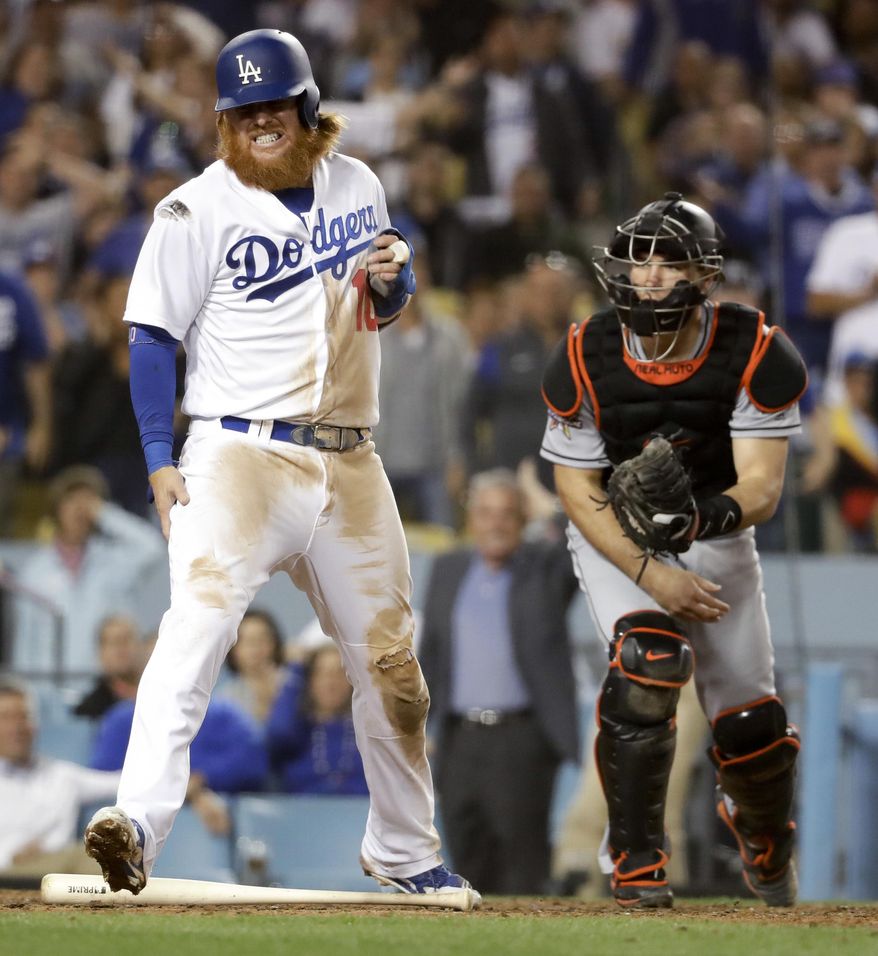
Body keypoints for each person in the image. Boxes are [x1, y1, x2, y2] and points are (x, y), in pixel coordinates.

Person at [83, 29, 478, 904]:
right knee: (200, 621)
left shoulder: (360, 185)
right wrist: (157, 457)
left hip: (350, 456)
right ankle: (135, 824)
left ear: (307, 109)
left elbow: (384, 302)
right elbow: (151, 340)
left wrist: (396, 281)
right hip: (237, 452)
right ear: (224, 121)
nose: (261, 122)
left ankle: (407, 851)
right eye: (244, 110)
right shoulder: (193, 209)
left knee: (391, 665)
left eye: (275, 106)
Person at [540, 192, 807, 908]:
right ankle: (633, 862)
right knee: (648, 659)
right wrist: (652, 570)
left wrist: (699, 520)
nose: (649, 275)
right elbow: (575, 488)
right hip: (616, 536)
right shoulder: (583, 354)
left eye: (669, 261)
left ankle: (762, 837)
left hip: (716, 533)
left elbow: (763, 487)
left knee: (751, 729)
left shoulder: (754, 348)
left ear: (704, 276)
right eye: (638, 258)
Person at [417, 468, 580, 894]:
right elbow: (432, 652)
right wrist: (417, 727)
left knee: (523, 867)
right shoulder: (447, 568)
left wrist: (549, 507)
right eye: (486, 513)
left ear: (522, 519)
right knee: (468, 859)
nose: (496, 524)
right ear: (470, 518)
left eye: (508, 514)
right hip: (457, 740)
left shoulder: (543, 568)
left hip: (522, 740)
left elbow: (580, 549)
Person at [12, 465, 166, 677]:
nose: (80, 509)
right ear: (57, 507)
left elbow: (153, 547)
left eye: (88, 501)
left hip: (107, 684)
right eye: (71, 500)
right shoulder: (35, 570)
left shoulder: (115, 559)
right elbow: (25, 639)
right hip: (53, 687)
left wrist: (104, 513)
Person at [0, 676, 120, 879]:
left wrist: (180, 781)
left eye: (24, 716)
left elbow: (118, 783)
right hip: (9, 872)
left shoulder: (61, 776)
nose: (17, 727)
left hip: (56, 869)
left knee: (97, 853)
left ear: (35, 724)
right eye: (5, 717)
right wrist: (9, 857)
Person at [266, 642, 369, 795]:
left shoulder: (369, 732)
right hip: (300, 816)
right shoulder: (298, 731)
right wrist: (295, 671)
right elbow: (278, 734)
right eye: (322, 674)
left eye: (340, 673)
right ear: (309, 681)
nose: (331, 682)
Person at [217, 609, 286, 725]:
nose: (256, 648)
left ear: (275, 644)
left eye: (262, 639)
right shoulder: (224, 700)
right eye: (248, 641)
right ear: (232, 649)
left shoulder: (293, 684)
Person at [73, 614, 146, 720]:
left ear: (141, 647)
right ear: (101, 653)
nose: (122, 648)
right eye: (114, 642)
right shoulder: (89, 711)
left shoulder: (159, 696)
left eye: (127, 639)